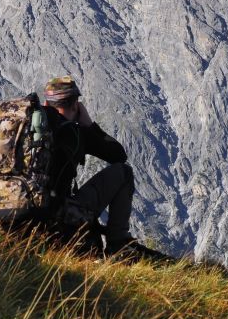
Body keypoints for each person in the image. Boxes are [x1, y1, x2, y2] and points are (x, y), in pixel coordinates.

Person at [42, 75, 159, 258]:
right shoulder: (74, 133)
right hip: (54, 217)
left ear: (46, 104)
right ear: (75, 106)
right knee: (124, 172)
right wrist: (89, 125)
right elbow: (118, 155)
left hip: (11, 211)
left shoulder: (26, 128)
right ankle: (118, 247)